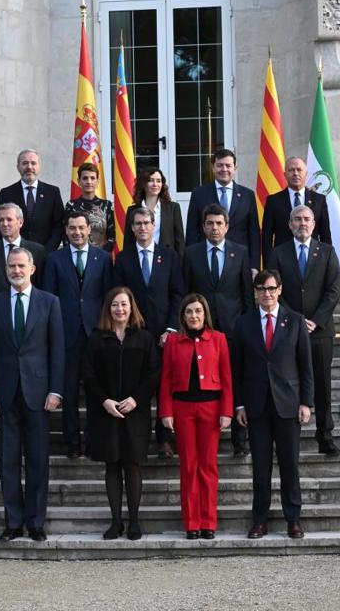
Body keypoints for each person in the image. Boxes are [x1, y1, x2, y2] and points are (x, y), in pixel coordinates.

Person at [0, 246, 64, 542]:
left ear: (32, 268)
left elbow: (57, 350)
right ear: (6, 270)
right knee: (8, 461)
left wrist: (56, 390)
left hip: (39, 394)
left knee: (39, 461)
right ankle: (13, 522)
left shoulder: (49, 302)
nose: (16, 271)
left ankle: (36, 522)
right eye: (11, 266)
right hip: (4, 395)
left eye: (21, 266)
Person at [233, 269, 313, 541]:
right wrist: (239, 405)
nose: (266, 294)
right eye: (260, 289)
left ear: (279, 290)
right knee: (260, 467)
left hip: (288, 404)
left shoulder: (295, 321)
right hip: (256, 405)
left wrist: (306, 402)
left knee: (289, 464)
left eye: (270, 289)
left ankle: (293, 519)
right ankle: (260, 520)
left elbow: (306, 366)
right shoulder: (243, 323)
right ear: (254, 293)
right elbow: (238, 368)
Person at [82, 287, 159, 541]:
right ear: (108, 308)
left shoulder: (144, 338)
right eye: (115, 305)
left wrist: (136, 399)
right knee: (112, 467)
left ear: (131, 307)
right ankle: (116, 522)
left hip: (135, 412)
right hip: (105, 412)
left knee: (133, 466)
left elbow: (153, 374)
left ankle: (134, 521)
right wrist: (104, 400)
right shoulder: (97, 338)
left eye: (124, 304)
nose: (120, 309)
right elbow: (89, 374)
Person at [159, 293, 234, 540]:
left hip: (211, 409)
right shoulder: (172, 341)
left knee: (208, 466)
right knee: (189, 467)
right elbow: (166, 379)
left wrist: (226, 411)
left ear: (205, 314)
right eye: (189, 312)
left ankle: (208, 522)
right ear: (183, 315)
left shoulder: (219, 339)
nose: (194, 316)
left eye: (198, 311)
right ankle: (192, 523)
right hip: (182, 410)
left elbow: (226, 379)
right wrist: (166, 411)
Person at [182, 202, 253, 456]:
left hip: (233, 329)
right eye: (209, 223)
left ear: (227, 226)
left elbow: (246, 294)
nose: (214, 228)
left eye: (219, 223)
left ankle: (239, 440)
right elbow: (186, 293)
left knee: (234, 380)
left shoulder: (240, 252)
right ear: (203, 227)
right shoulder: (191, 253)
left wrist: (246, 326)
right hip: (201, 332)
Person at [114, 206, 184, 458]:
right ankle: (140, 440)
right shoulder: (122, 258)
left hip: (165, 334)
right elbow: (119, 296)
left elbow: (178, 294)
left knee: (165, 387)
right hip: (135, 334)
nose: (142, 227)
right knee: (138, 386)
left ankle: (165, 439)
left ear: (154, 225)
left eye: (146, 223)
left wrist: (171, 328)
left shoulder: (170, 256)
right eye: (137, 224)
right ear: (131, 228)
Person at [270, 204, 340, 456]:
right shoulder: (278, 253)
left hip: (320, 332)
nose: (302, 223)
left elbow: (334, 290)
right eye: (297, 219)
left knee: (322, 385)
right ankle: (290, 440)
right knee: (290, 382)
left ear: (314, 223)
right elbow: (274, 290)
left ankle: (325, 435)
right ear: (290, 225)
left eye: (307, 219)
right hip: (289, 330)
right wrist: (296, 320)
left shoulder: (327, 252)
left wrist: (316, 320)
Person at [43, 210, 113, 458]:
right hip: (67, 333)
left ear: (89, 230)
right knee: (69, 392)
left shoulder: (103, 258)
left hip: (95, 334)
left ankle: (94, 442)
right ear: (66, 230)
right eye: (72, 228)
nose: (77, 232)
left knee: (96, 392)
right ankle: (72, 444)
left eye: (81, 228)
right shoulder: (54, 259)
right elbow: (50, 299)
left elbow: (108, 298)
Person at [185, 148, 260, 272]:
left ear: (235, 169)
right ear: (213, 168)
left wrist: (254, 265)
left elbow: (253, 232)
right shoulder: (199, 194)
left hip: (239, 261)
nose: (224, 169)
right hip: (207, 259)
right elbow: (192, 230)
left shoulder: (248, 195)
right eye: (219, 165)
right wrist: (190, 262)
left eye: (228, 166)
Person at [260, 156, 332, 267]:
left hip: (313, 260)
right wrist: (268, 268)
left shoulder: (319, 199)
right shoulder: (273, 201)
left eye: (299, 170)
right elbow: (267, 236)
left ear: (306, 173)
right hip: (282, 261)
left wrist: (328, 262)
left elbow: (325, 234)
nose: (295, 173)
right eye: (291, 170)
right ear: (285, 174)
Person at [0, 203, 46, 303]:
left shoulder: (37, 251)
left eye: (9, 219)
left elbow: (42, 286)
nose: (4, 224)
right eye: (1, 220)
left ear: (20, 222)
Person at [0, 149, 65, 251]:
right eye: (25, 163)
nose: (29, 167)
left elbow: (58, 226)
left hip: (45, 255)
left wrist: (47, 252)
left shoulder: (52, 192)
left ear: (39, 167)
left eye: (33, 163)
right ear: (18, 167)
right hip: (15, 256)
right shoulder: (6, 193)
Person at [133, 166, 184, 253]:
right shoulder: (132, 210)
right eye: (151, 180)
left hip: (167, 261)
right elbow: (128, 241)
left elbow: (180, 241)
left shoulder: (173, 208)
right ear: (143, 184)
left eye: (158, 181)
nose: (155, 184)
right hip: (140, 260)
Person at [64, 162, 115, 250]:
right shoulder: (71, 205)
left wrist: (103, 254)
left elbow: (112, 236)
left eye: (92, 178)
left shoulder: (106, 205)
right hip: (77, 255)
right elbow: (66, 235)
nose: (89, 181)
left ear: (98, 181)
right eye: (85, 178)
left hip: (100, 257)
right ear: (79, 181)